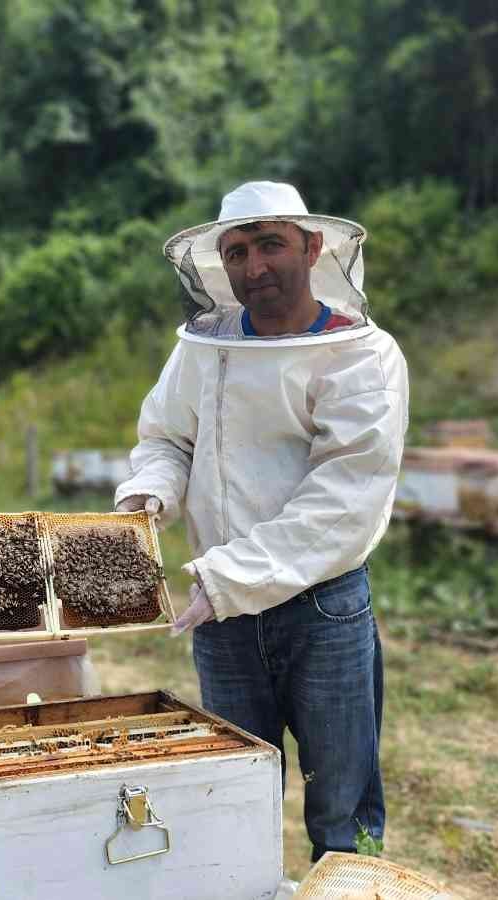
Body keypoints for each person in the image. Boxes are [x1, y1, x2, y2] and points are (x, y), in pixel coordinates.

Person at [114, 181, 408, 860]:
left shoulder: (360, 355)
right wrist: (150, 493)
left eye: (271, 244)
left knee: (342, 804)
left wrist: (226, 577)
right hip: (222, 616)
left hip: (320, 608)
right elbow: (168, 437)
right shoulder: (204, 346)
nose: (255, 267)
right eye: (238, 251)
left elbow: (344, 498)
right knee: (232, 795)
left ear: (312, 247)